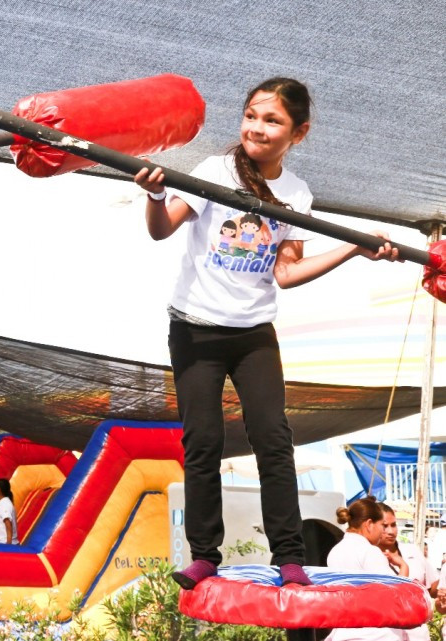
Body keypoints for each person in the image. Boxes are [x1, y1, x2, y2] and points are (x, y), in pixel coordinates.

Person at [134, 77, 401, 589]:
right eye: (251, 116)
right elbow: (161, 228)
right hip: (195, 330)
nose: (257, 128)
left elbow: (286, 273)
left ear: (298, 133)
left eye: (272, 120)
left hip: (254, 333)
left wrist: (353, 248)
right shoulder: (215, 171)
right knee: (204, 441)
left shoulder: (296, 193)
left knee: (274, 441)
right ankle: (204, 555)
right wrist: (155, 195)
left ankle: (289, 557)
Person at [327, 497, 406, 641]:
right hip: (375, 634)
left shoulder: (334, 551)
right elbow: (394, 596)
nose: (383, 531)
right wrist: (403, 567)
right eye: (382, 525)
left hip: (344, 633)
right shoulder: (369, 551)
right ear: (369, 524)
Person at [378, 503, 437, 641]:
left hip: (418, 633)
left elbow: (433, 588)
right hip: (387, 634)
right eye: (384, 526)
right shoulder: (368, 557)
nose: (391, 531)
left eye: (393, 525)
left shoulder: (412, 551)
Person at [0, 479, 18, 544]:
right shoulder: (2, 503)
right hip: (1, 543)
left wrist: (8, 546)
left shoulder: (5, 504)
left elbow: (8, 523)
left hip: (4, 544)